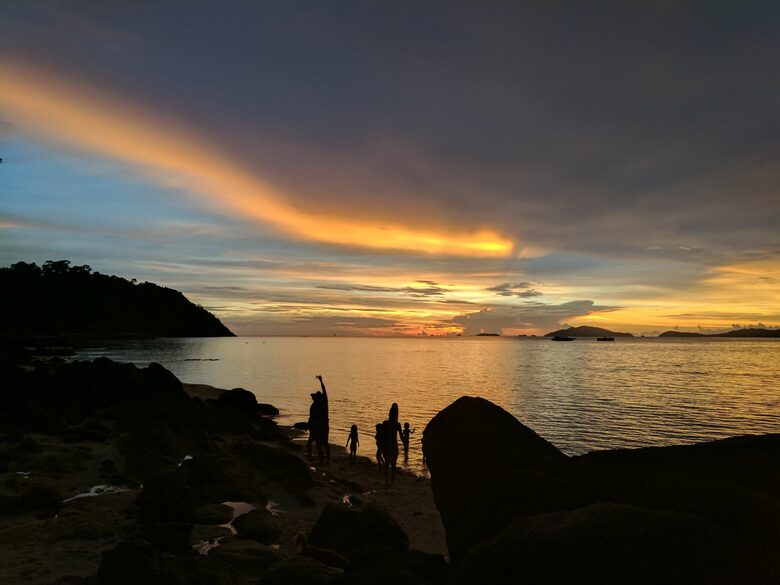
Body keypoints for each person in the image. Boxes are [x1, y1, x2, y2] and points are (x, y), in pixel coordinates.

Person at [308, 375, 331, 465]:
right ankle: (322, 460)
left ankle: (326, 460)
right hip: (316, 426)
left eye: (315, 397)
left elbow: (324, 391)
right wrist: (309, 425)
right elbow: (311, 416)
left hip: (323, 426)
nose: (313, 398)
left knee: (324, 443)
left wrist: (321, 381)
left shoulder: (323, 402)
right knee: (319, 444)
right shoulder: (314, 405)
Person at [380, 403, 403, 487]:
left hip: (386, 446)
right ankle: (391, 483)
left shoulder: (385, 423)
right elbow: (402, 438)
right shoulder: (397, 424)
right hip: (393, 446)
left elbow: (381, 436)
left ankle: (386, 482)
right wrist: (406, 445)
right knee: (393, 465)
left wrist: (380, 447)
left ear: (389, 414)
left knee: (387, 464)